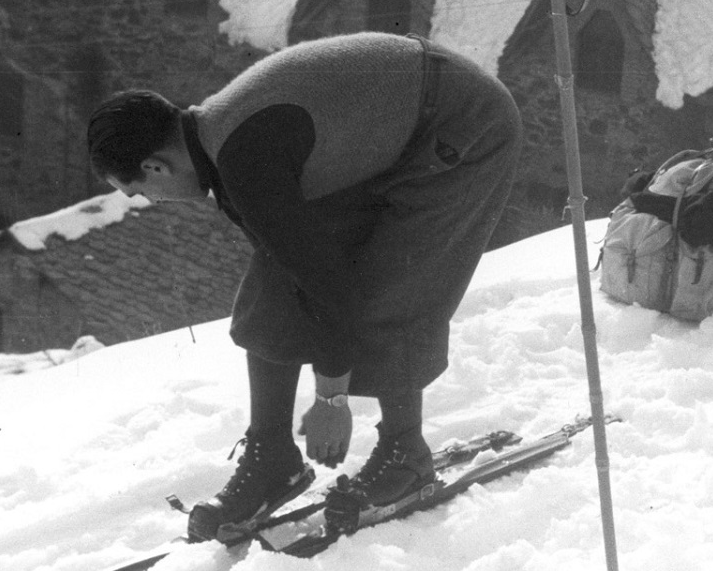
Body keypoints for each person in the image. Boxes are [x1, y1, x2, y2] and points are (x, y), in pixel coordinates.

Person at [86, 32, 521, 541]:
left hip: (464, 125)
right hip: (407, 123)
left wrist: (331, 400)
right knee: (275, 279)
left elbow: (330, 288)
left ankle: (406, 455)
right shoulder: (220, 141)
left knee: (394, 282)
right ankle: (273, 456)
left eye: (140, 191)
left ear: (155, 166)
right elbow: (295, 269)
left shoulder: (246, 160)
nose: (151, 201)